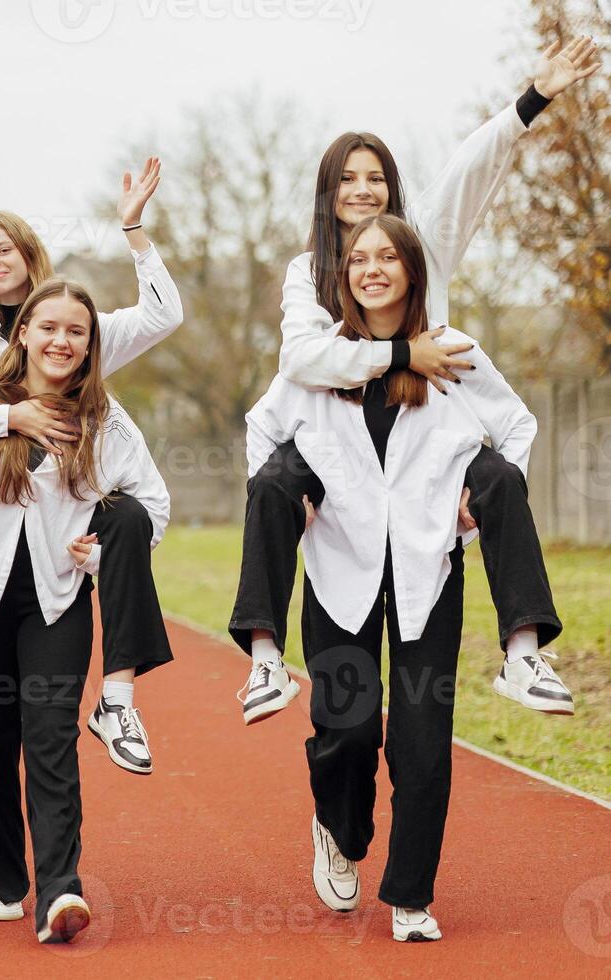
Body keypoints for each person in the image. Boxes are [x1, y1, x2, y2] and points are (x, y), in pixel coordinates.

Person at [230, 37, 599, 724]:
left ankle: (523, 653)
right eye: (347, 178)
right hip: (335, 442)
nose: (363, 189)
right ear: (327, 190)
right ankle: (264, 661)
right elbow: (302, 360)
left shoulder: (419, 242)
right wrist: (401, 354)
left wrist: (533, 99)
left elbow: (470, 169)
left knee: (493, 475)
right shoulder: (306, 273)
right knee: (278, 485)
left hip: (422, 439)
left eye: (375, 177)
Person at [247, 214, 544, 942]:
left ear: (413, 269)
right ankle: (339, 830)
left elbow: (518, 428)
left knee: (420, 740)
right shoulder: (322, 363)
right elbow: (263, 431)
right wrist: (293, 501)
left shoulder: (454, 353)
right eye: (357, 258)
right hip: (341, 569)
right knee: (345, 732)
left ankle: (411, 894)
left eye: (387, 257)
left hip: (425, 573)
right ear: (343, 275)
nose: (371, 268)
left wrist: (471, 515)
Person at [0, 161, 181, 801]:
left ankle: (120, 698)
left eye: (3, 248)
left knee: (129, 517)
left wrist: (132, 227)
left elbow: (163, 316)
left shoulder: (73, 325)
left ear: (28, 253)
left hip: (56, 511)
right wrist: (8, 414)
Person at [0, 277, 169, 943]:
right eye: (49, 327)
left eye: (76, 331)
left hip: (55, 599)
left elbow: (152, 508)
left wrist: (99, 555)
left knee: (50, 739)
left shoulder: (105, 421)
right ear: (23, 333)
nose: (61, 341)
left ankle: (60, 890)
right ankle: (2, 878)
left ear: (90, 343)